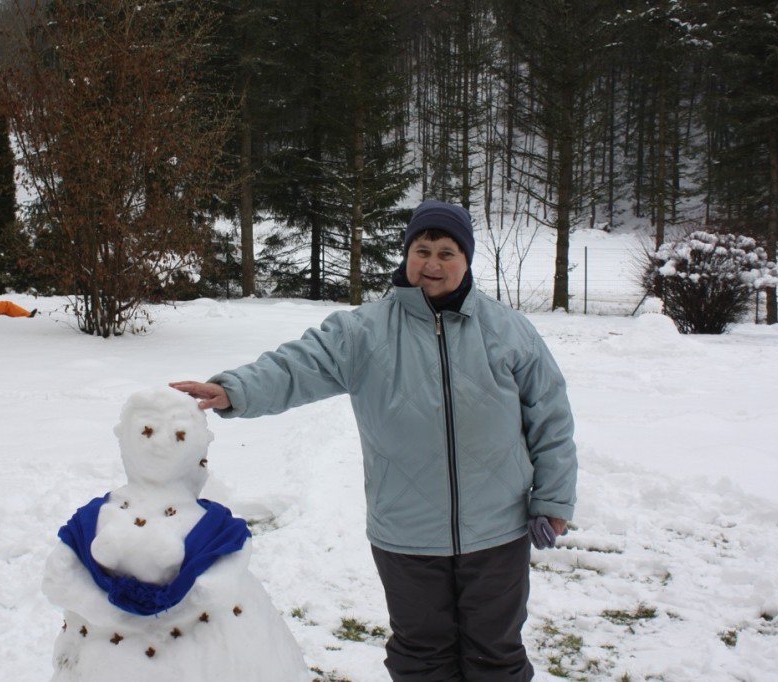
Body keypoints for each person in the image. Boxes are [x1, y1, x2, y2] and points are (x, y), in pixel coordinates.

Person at [171, 199, 577, 682]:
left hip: (498, 530)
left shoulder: (509, 331)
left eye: (447, 252)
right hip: (407, 533)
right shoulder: (364, 331)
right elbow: (296, 366)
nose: (432, 263)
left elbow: (550, 418)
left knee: (496, 653)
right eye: (422, 250)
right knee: (421, 654)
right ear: (407, 255)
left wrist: (553, 499)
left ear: (466, 260)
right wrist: (234, 390)